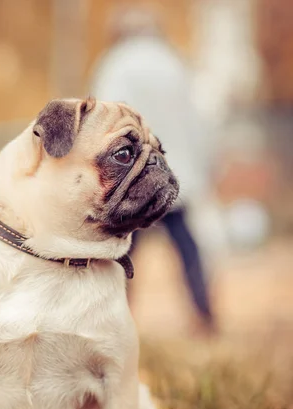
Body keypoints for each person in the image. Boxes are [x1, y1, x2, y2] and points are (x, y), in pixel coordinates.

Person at [89, 6, 217, 332]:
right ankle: (204, 314)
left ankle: (116, 318)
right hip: (177, 174)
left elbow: (106, 125)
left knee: (124, 250)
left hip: (135, 178)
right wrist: (200, 167)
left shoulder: (116, 63)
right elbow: (199, 121)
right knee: (187, 247)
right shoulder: (175, 64)